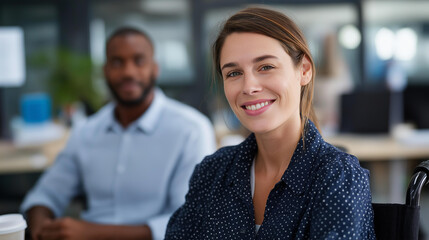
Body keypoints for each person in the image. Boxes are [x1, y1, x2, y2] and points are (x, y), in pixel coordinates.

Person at [165, 7, 375, 239]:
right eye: (234, 73)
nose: (248, 86)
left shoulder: (338, 176)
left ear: (304, 70)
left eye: (266, 67)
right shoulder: (212, 172)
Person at [21, 27, 216, 240]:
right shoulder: (86, 131)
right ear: (105, 71)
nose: (128, 72)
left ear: (155, 68)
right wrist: (41, 227)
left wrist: (92, 233)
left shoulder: (191, 130)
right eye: (117, 62)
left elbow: (191, 221)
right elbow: (45, 195)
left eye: (139, 61)